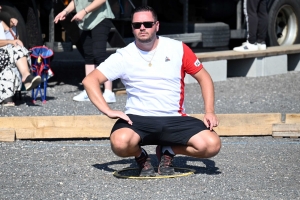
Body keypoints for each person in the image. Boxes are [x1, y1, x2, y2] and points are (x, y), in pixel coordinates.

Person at [82, 6, 221, 177]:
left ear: (157, 25)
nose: (142, 28)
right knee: (119, 143)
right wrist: (108, 110)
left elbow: (204, 78)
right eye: (136, 25)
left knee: (212, 145)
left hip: (174, 118)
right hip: (138, 119)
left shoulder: (178, 49)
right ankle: (141, 157)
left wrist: (209, 111)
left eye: (147, 24)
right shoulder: (124, 55)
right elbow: (90, 81)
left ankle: (168, 151)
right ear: (132, 27)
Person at [54, 0, 116, 103]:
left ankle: (109, 92)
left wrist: (84, 11)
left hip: (100, 19)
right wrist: (65, 12)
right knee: (88, 55)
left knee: (99, 54)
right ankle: (89, 90)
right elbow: (76, 1)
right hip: (86, 22)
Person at [0, 10, 41, 106]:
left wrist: (13, 27)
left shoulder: (1, 23)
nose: (1, 7)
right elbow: (9, 42)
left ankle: (7, 97)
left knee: (15, 54)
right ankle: (26, 76)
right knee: (17, 51)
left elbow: (14, 39)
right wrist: (10, 42)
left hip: (4, 56)